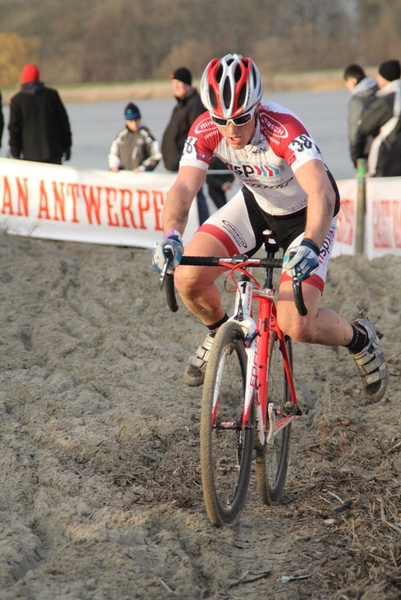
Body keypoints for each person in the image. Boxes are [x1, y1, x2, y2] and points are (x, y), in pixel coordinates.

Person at [152, 53, 388, 403]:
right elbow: (184, 189)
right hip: (256, 206)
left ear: (257, 108)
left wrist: (310, 242)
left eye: (242, 118)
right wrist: (170, 235)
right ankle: (221, 336)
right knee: (187, 277)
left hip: (307, 216)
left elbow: (320, 190)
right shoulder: (205, 129)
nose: (231, 130)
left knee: (296, 324)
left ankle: (359, 338)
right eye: (222, 119)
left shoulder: (282, 128)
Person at [161, 66, 209, 224]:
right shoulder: (180, 106)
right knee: (178, 199)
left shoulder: (195, 104)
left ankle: (202, 226)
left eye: (178, 84)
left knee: (195, 196)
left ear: (187, 84)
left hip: (187, 163)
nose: (174, 88)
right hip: (173, 164)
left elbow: (198, 136)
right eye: (173, 85)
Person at [8, 64, 72, 164]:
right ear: (38, 77)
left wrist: (15, 152)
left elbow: (14, 129)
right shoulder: (52, 96)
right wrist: (67, 146)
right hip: (53, 152)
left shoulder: (17, 101)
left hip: (30, 155)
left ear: (23, 78)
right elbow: (63, 122)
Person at [358, 59, 401, 177]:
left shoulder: (387, 99)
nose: (377, 78)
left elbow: (365, 126)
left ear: (385, 77)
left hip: (388, 157)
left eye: (379, 75)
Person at [108, 102, 161, 173]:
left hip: (140, 178)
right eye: (131, 121)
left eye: (136, 120)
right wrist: (114, 166)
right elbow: (114, 154)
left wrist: (142, 169)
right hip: (123, 177)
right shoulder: (121, 136)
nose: (134, 124)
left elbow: (156, 156)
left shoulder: (146, 136)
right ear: (126, 122)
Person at [343, 63, 378, 167]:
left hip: (366, 153)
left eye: (347, 83)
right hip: (383, 150)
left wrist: (355, 158)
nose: (347, 87)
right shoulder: (379, 92)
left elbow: (355, 132)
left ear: (352, 80)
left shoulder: (357, 101)